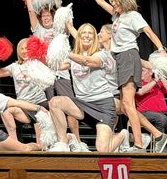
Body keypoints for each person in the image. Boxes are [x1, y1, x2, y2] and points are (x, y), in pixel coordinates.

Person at [89, 0, 167, 152]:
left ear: (124, 0)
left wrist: (160, 49)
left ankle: (139, 145)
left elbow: (149, 32)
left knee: (127, 103)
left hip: (128, 56)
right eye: (113, 2)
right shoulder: (117, 17)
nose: (114, 4)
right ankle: (158, 136)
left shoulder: (133, 16)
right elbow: (100, 2)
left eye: (116, 1)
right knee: (125, 107)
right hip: (120, 60)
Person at [48, 23, 128, 153]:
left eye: (90, 33)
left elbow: (87, 61)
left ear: (95, 38)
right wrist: (43, 55)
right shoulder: (73, 57)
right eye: (83, 32)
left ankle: (123, 135)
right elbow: (55, 66)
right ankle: (62, 143)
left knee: (103, 150)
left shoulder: (101, 54)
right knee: (55, 102)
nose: (86, 35)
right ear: (79, 36)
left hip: (103, 105)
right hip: (82, 104)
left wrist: (66, 52)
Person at [97, 24, 167, 152]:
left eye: (101, 31)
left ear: (110, 35)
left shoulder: (120, 52)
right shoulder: (101, 53)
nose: (98, 34)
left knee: (127, 109)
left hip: (115, 93)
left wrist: (163, 65)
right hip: (106, 93)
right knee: (127, 110)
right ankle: (153, 136)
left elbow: (144, 63)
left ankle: (136, 141)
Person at [27, 0, 82, 148]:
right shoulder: (38, 31)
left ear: (52, 17)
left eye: (48, 16)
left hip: (63, 74)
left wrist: (57, 1)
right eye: (43, 16)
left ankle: (77, 142)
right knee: (52, 109)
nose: (45, 18)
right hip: (47, 77)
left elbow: (62, 15)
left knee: (71, 109)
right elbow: (31, 11)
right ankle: (59, 142)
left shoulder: (59, 29)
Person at [0, 38, 47, 149]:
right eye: (21, 49)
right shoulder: (14, 66)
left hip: (39, 105)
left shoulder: (38, 63)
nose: (24, 51)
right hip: (23, 106)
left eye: (27, 48)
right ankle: (14, 144)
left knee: (41, 146)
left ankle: (30, 149)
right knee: (6, 111)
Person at [135, 65, 167, 151]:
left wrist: (161, 77)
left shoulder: (157, 82)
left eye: (142, 70)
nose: (139, 72)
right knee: (161, 118)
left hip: (163, 112)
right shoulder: (137, 83)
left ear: (151, 72)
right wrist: (155, 81)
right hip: (144, 113)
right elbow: (140, 92)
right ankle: (161, 148)